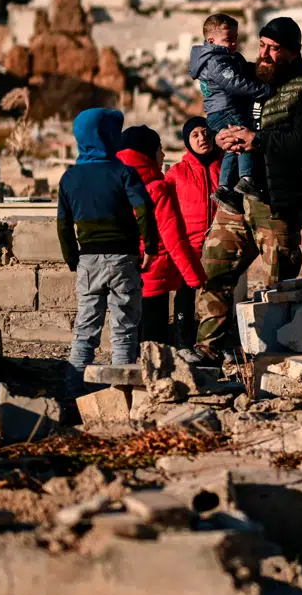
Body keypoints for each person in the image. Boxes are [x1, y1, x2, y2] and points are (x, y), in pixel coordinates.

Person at [191, 16, 302, 363]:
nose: (264, 53)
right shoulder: (244, 78)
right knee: (214, 269)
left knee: (277, 284)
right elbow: (218, 111)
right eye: (262, 45)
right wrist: (217, 138)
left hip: (275, 202)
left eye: (274, 48)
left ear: (293, 53)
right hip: (236, 197)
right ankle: (208, 348)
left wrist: (258, 140)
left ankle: (273, 356)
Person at [57, 108, 158, 389]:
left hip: (88, 261)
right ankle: (122, 395)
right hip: (124, 259)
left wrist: (72, 259)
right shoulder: (124, 172)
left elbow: (63, 225)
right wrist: (150, 246)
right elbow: (144, 209)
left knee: (85, 331)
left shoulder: (69, 178)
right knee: (124, 331)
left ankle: (71, 395)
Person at [114, 125, 208, 346]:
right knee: (154, 343)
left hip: (121, 273)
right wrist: (194, 276)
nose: (163, 155)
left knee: (127, 339)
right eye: (159, 149)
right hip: (154, 274)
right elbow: (173, 237)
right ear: (147, 153)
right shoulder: (157, 188)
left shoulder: (114, 184)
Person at [189, 12, 273, 205]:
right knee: (242, 138)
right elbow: (235, 83)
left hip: (217, 111)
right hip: (226, 109)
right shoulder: (216, 61)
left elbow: (243, 69)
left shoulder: (225, 57)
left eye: (236, 39)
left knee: (231, 147)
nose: (234, 44)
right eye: (229, 40)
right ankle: (247, 179)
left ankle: (224, 187)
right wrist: (263, 90)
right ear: (212, 40)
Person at [165, 116, 222, 347]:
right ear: (187, 142)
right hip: (189, 247)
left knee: (218, 297)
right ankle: (183, 342)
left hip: (220, 245)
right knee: (185, 297)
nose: (203, 138)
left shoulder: (225, 166)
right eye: (195, 135)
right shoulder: (178, 172)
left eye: (205, 132)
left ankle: (213, 345)